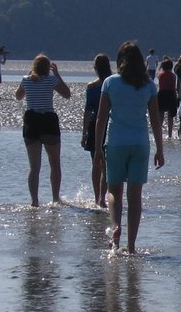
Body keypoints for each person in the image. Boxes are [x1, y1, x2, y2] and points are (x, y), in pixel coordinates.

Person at [93, 42, 164, 254]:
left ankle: (115, 229)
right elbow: (155, 120)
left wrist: (97, 148)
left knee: (114, 190)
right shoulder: (149, 85)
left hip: (115, 142)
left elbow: (101, 118)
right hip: (140, 143)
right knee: (135, 196)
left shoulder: (110, 83)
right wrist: (160, 149)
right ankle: (131, 246)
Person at [15, 53, 72, 206]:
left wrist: (28, 78)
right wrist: (58, 75)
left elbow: (18, 96)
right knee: (54, 163)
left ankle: (34, 200)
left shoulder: (26, 80)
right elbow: (67, 94)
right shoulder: (51, 80)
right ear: (48, 68)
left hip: (31, 121)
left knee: (34, 166)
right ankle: (55, 198)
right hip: (48, 121)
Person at [81, 54, 113, 208]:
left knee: (96, 163)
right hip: (111, 123)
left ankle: (97, 197)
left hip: (95, 125)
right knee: (106, 164)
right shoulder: (114, 83)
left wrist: (84, 133)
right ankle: (102, 197)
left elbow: (88, 111)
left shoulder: (92, 87)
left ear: (95, 68)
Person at [156, 57, 179, 138]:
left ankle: (159, 133)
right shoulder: (173, 75)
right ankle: (169, 134)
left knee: (160, 115)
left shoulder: (160, 75)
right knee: (170, 116)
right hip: (171, 94)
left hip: (162, 94)